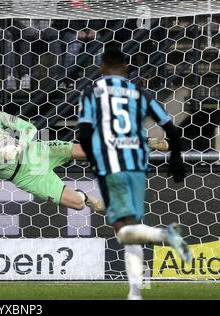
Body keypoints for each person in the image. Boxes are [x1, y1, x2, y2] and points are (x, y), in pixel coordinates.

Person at [76, 47, 192, 300]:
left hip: (112, 166)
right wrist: (175, 159)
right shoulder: (139, 92)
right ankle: (135, 293)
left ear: (102, 69)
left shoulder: (92, 92)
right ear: (126, 69)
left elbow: (83, 132)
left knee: (124, 230)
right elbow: (171, 129)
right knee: (132, 229)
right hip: (138, 167)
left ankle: (165, 235)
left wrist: (95, 160)